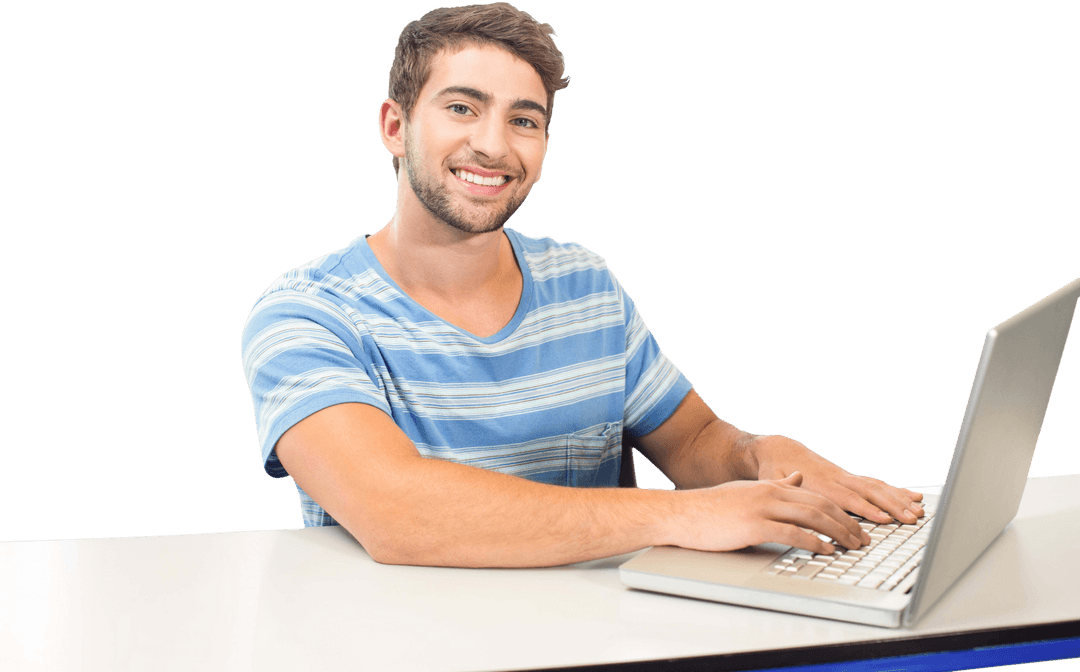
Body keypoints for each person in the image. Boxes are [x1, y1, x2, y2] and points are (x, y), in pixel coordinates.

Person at [240, 2, 923, 568]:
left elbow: (690, 444)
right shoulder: (304, 315)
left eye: (524, 121)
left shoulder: (583, 282)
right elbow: (395, 511)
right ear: (396, 127)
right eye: (461, 108)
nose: (495, 146)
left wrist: (759, 457)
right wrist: (691, 515)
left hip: (610, 641)